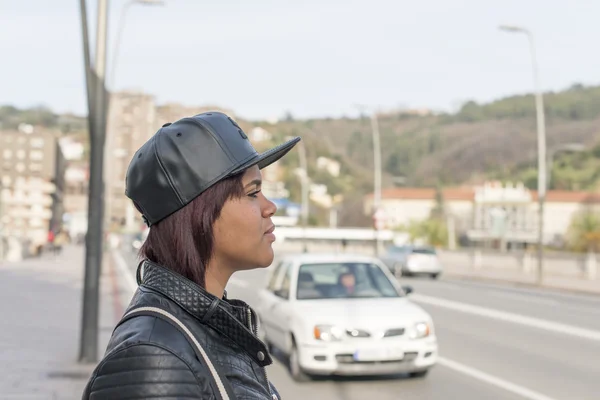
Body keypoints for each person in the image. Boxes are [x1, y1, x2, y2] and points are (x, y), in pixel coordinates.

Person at [82, 112, 300, 400]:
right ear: (200, 213)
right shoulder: (154, 358)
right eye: (253, 192)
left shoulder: (204, 325)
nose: (270, 207)